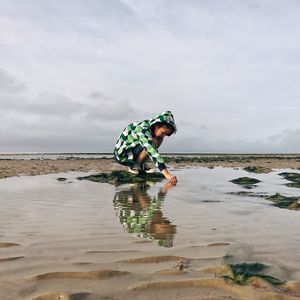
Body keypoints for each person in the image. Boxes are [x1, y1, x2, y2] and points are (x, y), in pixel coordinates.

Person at [113, 111, 177, 184]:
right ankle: (135, 165)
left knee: (158, 139)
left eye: (166, 134)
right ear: (157, 126)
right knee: (153, 141)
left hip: (134, 150)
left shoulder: (152, 128)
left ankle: (141, 164)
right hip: (122, 155)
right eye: (163, 132)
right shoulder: (142, 129)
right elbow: (151, 150)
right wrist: (166, 173)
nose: (163, 136)